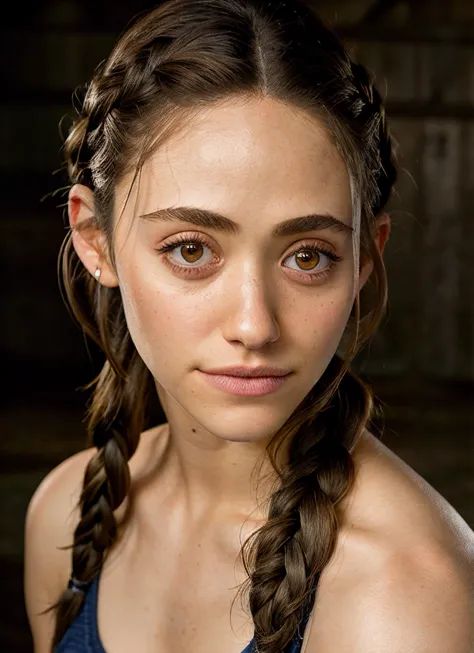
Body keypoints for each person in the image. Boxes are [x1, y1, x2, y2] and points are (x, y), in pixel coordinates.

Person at [24, 1, 474, 652]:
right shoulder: (65, 514)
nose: (253, 324)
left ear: (366, 260)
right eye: (190, 249)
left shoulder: (407, 595)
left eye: (308, 257)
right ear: (96, 240)